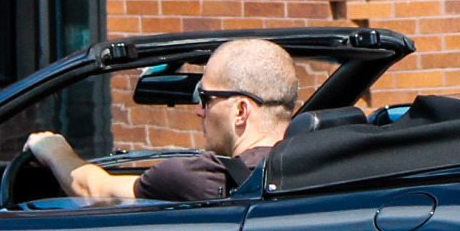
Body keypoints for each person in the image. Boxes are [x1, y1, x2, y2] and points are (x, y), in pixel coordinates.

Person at [25, 37, 300, 204]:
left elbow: (94, 191)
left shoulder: (204, 179)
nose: (198, 111)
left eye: (205, 99)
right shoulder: (316, 168)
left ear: (241, 111)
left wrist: (53, 149)